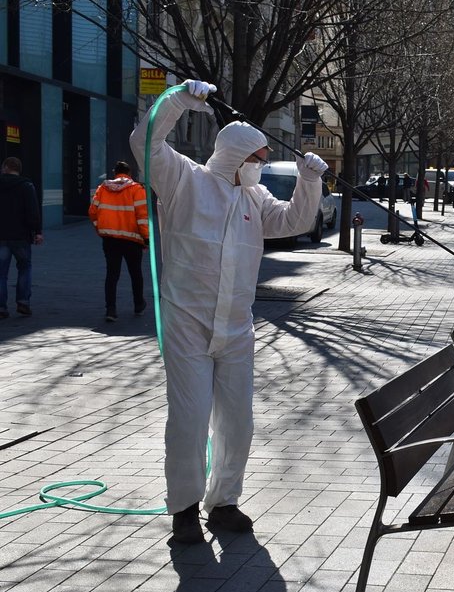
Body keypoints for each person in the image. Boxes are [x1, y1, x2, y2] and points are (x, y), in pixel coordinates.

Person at [130, 79, 328, 544]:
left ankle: (224, 502)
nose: (260, 169)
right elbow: (145, 142)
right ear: (236, 157)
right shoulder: (183, 179)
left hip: (237, 326)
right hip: (186, 322)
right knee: (190, 416)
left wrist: (310, 180)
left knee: (237, 419)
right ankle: (183, 508)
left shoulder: (253, 199)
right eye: (257, 161)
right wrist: (178, 99)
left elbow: (294, 221)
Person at [89, 161, 149, 322]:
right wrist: (146, 239)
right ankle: (138, 304)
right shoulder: (137, 190)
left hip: (110, 239)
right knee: (135, 273)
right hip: (132, 240)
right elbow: (142, 217)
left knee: (112, 274)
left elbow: (93, 212)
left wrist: (100, 229)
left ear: (115, 173)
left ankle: (111, 309)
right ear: (129, 173)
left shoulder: (103, 189)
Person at [0, 157, 43, 318]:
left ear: (5, 167)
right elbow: (33, 211)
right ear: (18, 169)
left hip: (1, 235)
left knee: (1, 273)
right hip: (21, 236)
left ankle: (1, 307)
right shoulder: (26, 186)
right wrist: (37, 232)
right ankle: (23, 302)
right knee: (24, 268)